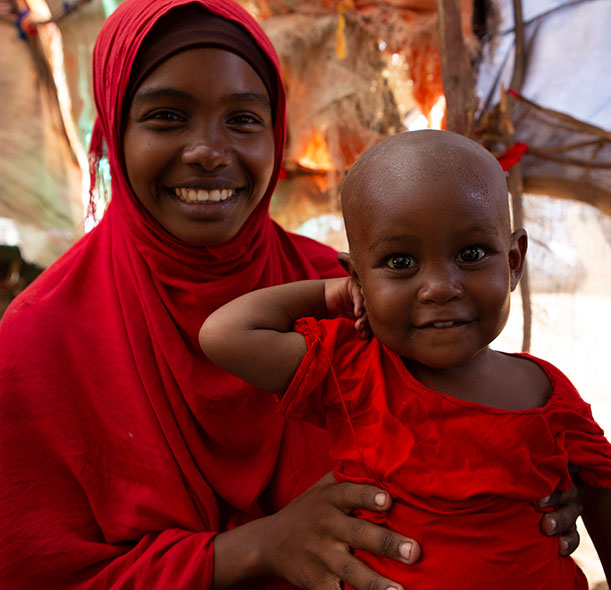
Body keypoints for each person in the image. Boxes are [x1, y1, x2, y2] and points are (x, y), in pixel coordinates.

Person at [0, 0, 583, 587]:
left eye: (244, 119)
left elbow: (467, 429)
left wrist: (530, 494)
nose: (208, 150)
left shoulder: (358, 294)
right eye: (167, 117)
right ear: (113, 126)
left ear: (278, 131)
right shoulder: (36, 345)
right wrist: (253, 548)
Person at [200, 130, 611, 588]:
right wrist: (328, 294)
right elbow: (224, 335)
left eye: (471, 254)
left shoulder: (547, 392)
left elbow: (600, 494)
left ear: (513, 262)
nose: (439, 287)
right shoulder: (354, 370)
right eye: (399, 262)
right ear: (357, 278)